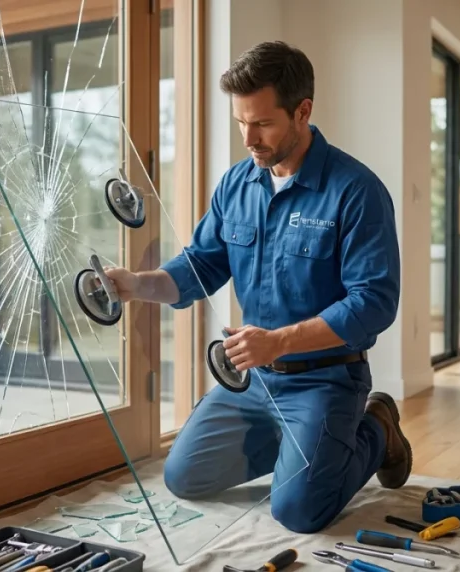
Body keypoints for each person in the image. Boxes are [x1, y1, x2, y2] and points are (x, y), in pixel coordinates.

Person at [102, 40, 411, 534]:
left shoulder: (357, 191)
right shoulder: (236, 185)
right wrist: (138, 284)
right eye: (241, 122)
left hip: (325, 381)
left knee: (297, 511)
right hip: (251, 382)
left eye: (263, 123)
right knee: (183, 477)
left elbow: (375, 302)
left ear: (302, 111)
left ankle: (376, 425)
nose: (249, 138)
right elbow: (201, 265)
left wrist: (280, 342)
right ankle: (303, 452)